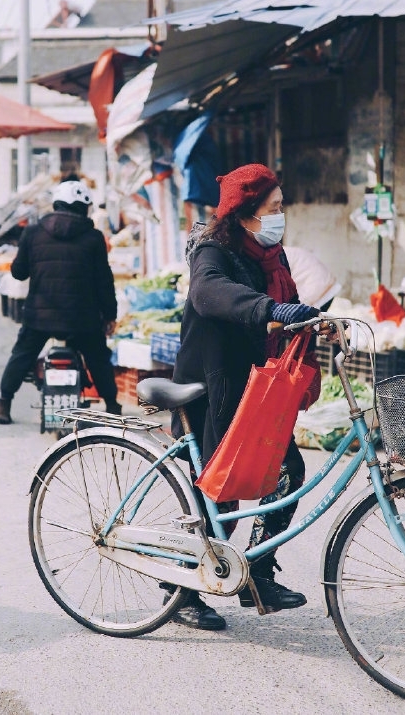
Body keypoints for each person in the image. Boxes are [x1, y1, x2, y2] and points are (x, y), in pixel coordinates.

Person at [169, 162, 322, 631]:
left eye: (281, 207)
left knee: (288, 473)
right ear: (246, 213)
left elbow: (288, 304)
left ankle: (257, 570)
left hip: (259, 384)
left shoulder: (271, 254)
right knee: (221, 492)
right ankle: (180, 592)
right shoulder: (213, 250)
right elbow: (208, 292)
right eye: (273, 208)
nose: (280, 216)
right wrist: (269, 310)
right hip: (215, 382)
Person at [0, 180, 121, 425]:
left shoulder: (32, 233)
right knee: (98, 358)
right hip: (83, 319)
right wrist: (110, 316)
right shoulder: (94, 238)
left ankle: (3, 402)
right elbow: (104, 281)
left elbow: (18, 273)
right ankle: (113, 407)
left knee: (22, 354)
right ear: (84, 209)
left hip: (40, 317)